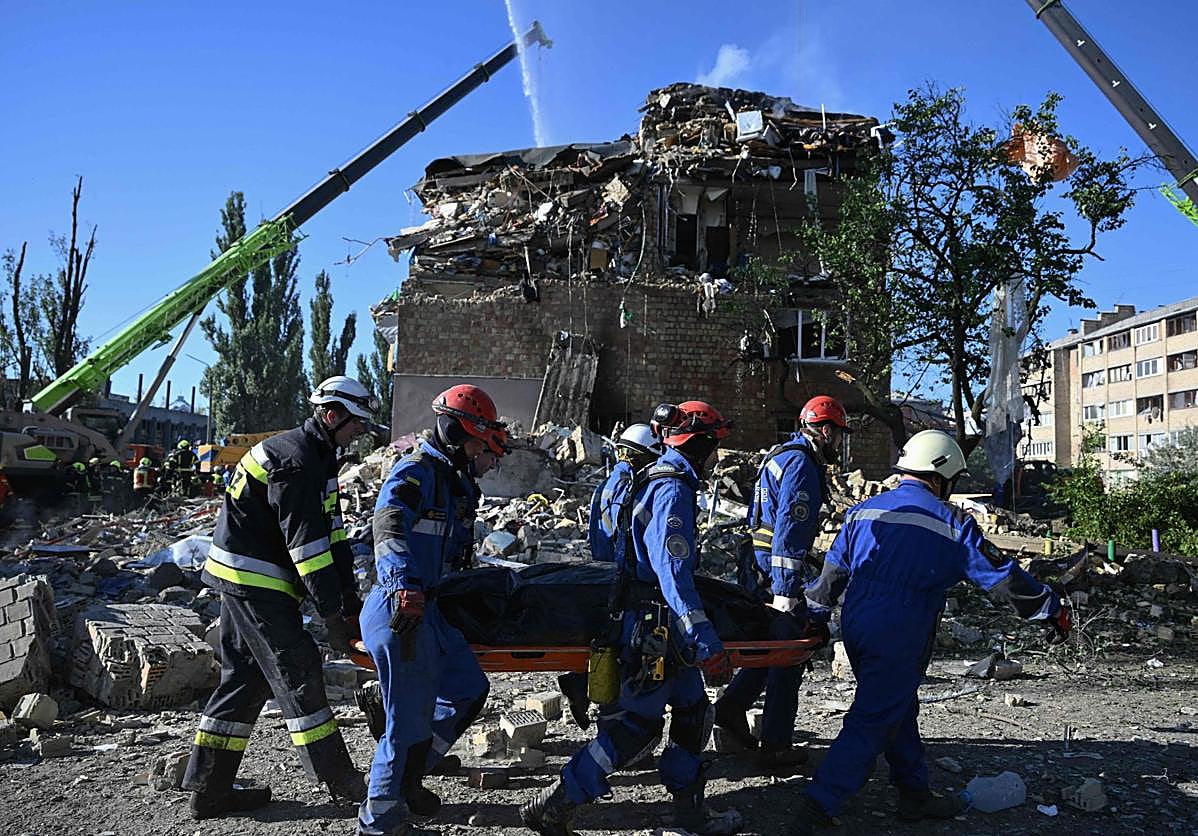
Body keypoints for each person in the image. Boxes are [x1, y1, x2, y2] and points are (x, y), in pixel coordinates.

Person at [788, 430, 1072, 834]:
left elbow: (831, 574)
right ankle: (817, 808)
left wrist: (813, 617)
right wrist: (1050, 608)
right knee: (872, 717)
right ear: (940, 476)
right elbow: (1000, 577)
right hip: (901, 625)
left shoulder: (864, 511)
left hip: (857, 622)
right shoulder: (951, 523)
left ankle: (913, 794)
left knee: (897, 705)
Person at [521, 401, 738, 836]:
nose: (716, 457)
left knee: (694, 710)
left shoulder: (655, 479)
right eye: (713, 446)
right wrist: (707, 641)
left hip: (658, 624)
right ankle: (556, 802)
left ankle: (689, 807)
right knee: (635, 727)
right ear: (699, 443)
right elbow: (672, 573)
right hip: (654, 626)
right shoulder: (671, 488)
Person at [181, 375, 379, 820]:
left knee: (245, 680)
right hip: (254, 578)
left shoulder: (319, 456)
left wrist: (351, 603)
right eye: (356, 424)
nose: (360, 433)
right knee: (299, 667)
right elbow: (308, 551)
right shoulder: (295, 462)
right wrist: (332, 617)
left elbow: (334, 537)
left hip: (250, 575)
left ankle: (210, 790)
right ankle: (340, 780)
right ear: (331, 415)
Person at [358, 384, 508, 836]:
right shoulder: (417, 471)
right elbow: (388, 524)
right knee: (405, 723)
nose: (484, 454)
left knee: (467, 689)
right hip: (401, 607)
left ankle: (410, 777)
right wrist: (403, 584)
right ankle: (379, 819)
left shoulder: (452, 484)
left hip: (430, 610)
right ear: (456, 432)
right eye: (481, 444)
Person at [714, 395, 847, 766]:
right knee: (789, 651)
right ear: (825, 430)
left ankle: (732, 707)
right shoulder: (802, 464)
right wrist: (786, 591)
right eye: (837, 436)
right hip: (775, 574)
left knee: (765, 649)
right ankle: (775, 744)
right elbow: (789, 529)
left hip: (757, 567)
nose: (839, 444)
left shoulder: (781, 455)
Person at [558, 423, 664, 730]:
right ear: (639, 456)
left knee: (603, 640)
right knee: (619, 652)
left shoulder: (608, 483)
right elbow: (624, 537)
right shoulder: (626, 487)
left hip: (603, 573)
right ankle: (611, 722)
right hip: (619, 579)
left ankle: (581, 685)